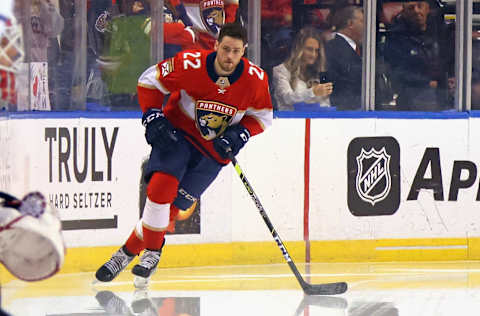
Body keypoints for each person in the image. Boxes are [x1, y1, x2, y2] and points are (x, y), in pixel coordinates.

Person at [95, 23, 273, 283]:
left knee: (170, 210)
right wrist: (153, 115)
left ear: (244, 51)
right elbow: (148, 82)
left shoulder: (255, 80)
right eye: (225, 49)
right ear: (215, 45)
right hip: (178, 134)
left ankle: (125, 253)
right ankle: (153, 252)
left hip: (213, 152)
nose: (229, 57)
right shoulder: (191, 64)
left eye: (236, 51)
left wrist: (239, 134)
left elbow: (263, 118)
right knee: (160, 189)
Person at [384, 1, 449, 111]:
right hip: (412, 95)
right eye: (411, 8)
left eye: (420, 6)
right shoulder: (395, 37)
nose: (416, 11)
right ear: (404, 12)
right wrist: (426, 83)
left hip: (443, 93)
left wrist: (449, 78)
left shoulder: (441, 33)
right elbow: (396, 72)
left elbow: (449, 61)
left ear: (427, 8)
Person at [272, 27, 332, 111]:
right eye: (309, 49)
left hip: (316, 121)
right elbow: (287, 98)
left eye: (317, 50)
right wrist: (312, 92)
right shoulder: (280, 70)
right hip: (288, 121)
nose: (313, 54)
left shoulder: (319, 72)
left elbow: (325, 104)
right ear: (299, 49)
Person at [325, 5, 364, 110]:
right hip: (345, 111)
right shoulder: (334, 48)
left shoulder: (359, 48)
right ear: (350, 23)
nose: (366, 26)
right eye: (363, 21)